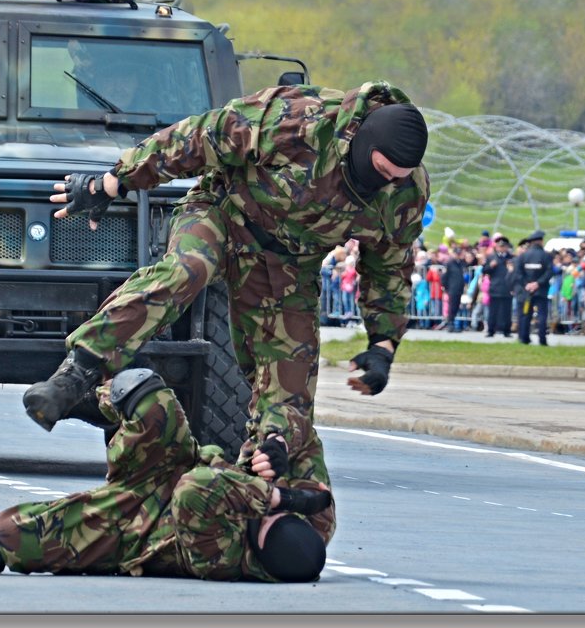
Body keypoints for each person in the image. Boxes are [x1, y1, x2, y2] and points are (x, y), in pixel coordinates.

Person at [23, 80, 430, 464]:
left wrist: (383, 345)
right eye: (382, 170)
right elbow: (201, 136)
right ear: (362, 143)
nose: (386, 183)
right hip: (222, 212)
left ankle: (257, 482)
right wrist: (113, 183)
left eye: (398, 177)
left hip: (286, 265)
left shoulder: (405, 193)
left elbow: (389, 267)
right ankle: (78, 372)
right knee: (187, 271)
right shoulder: (298, 121)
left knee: (289, 392)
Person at [0, 368, 335, 583]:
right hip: (181, 463)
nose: (259, 513)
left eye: (261, 521)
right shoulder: (315, 521)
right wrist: (277, 445)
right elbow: (297, 423)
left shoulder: (222, 555)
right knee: (142, 390)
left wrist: (269, 495)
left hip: (139, 526)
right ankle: (95, 405)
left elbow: (199, 490)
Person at [514, 230, 554, 346]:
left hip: (527, 292)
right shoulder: (546, 256)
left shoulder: (523, 256)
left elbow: (518, 273)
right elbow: (549, 272)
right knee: (542, 315)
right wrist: (538, 283)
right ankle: (542, 339)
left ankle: (524, 338)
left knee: (526, 314)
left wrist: (527, 284)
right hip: (540, 291)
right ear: (540, 241)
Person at [482, 235, 515, 338]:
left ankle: (506, 330)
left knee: (507, 311)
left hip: (507, 288)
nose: (501, 248)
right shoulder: (491, 257)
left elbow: (516, 273)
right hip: (495, 287)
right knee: (493, 311)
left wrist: (511, 270)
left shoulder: (511, 258)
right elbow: (484, 270)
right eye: (499, 246)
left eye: (503, 246)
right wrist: (490, 266)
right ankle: (491, 330)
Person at [439, 244, 467, 332]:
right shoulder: (449, 263)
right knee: (452, 306)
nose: (458, 255)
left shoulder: (461, 263)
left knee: (456, 306)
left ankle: (452, 322)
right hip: (452, 288)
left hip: (459, 288)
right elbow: (444, 277)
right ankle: (450, 324)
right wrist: (446, 287)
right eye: (457, 254)